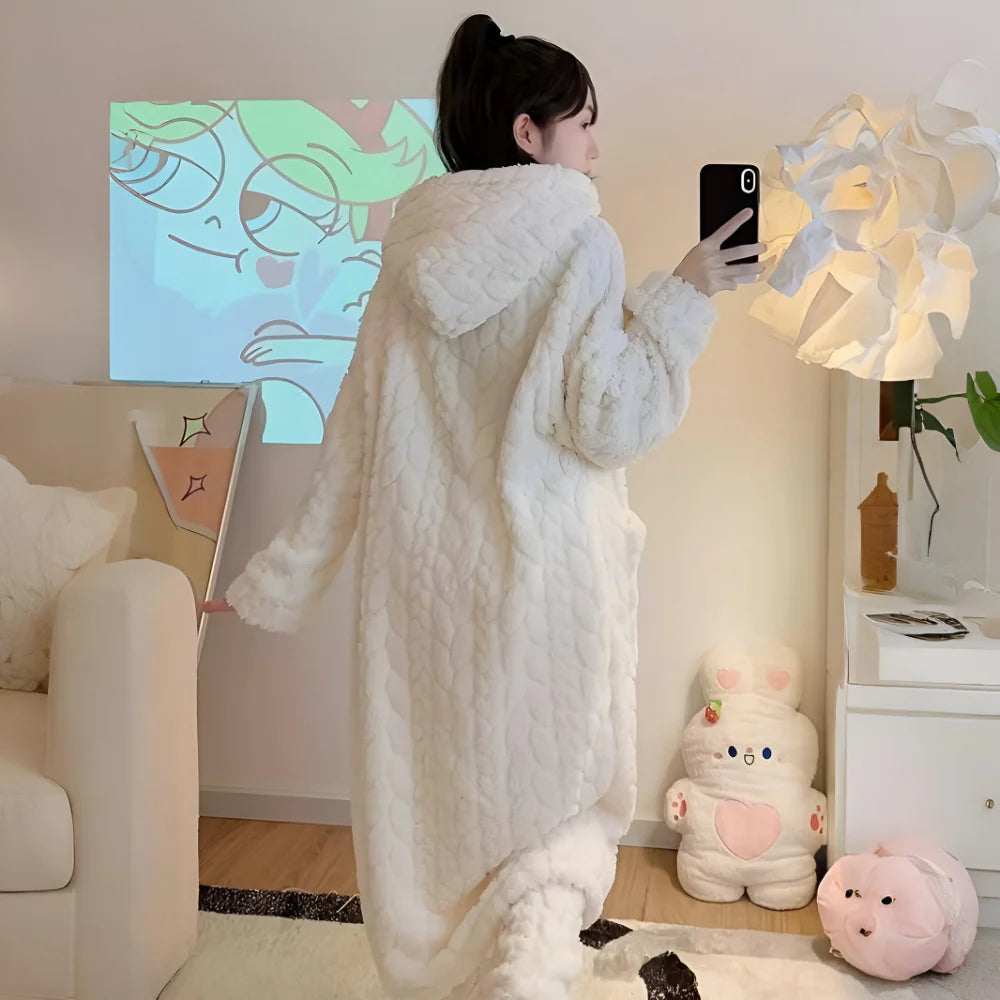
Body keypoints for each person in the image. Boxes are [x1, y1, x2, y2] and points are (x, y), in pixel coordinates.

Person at [208, 13, 763, 999]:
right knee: (552, 825)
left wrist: (276, 580)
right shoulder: (581, 242)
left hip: (423, 597)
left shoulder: (408, 256)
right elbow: (606, 418)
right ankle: (529, 972)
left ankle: (483, 976)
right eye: (585, 125)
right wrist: (684, 294)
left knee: (451, 826)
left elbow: (353, 435)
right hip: (545, 580)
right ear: (528, 133)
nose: (595, 149)